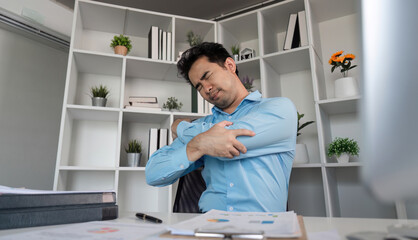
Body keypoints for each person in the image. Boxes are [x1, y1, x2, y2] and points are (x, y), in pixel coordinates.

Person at [145, 42, 297, 212]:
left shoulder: (279, 109)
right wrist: (197, 146)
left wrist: (180, 127)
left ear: (230, 65)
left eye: (207, 76)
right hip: (208, 227)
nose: (206, 89)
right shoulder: (201, 130)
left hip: (264, 230)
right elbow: (153, 174)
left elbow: (226, 141)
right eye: (199, 87)